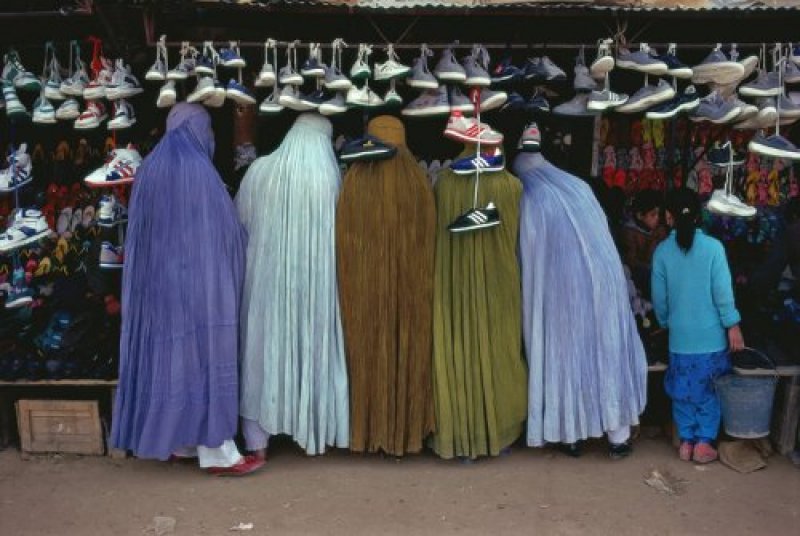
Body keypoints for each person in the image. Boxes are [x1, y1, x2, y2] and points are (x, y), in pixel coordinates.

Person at [111, 103, 263, 476]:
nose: (210, 138)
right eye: (209, 130)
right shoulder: (199, 171)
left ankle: (181, 441)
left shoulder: (149, 169)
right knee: (207, 358)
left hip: (158, 288)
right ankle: (218, 452)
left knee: (173, 361)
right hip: (199, 286)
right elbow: (224, 231)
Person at [652, 188, 745, 464]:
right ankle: (704, 442)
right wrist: (733, 325)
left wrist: (667, 322)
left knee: (682, 391)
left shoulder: (662, 252)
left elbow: (660, 299)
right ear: (699, 216)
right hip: (711, 339)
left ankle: (686, 442)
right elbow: (723, 293)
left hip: (680, 339)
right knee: (709, 392)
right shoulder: (714, 249)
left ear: (669, 217)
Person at [622, 189, 667, 298]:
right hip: (641, 275)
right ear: (640, 216)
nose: (657, 218)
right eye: (653, 215)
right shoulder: (630, 232)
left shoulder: (659, 230)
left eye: (658, 214)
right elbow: (631, 261)